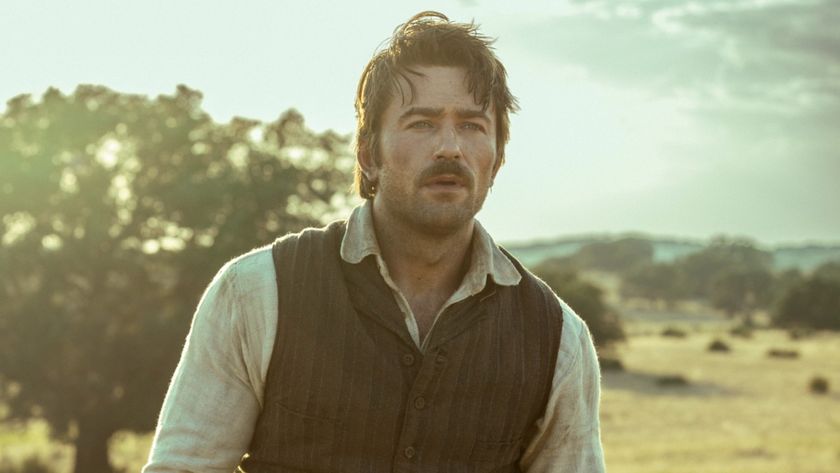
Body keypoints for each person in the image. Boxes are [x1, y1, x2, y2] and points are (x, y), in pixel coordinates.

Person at [143, 11, 605, 473]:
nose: (450, 147)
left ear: (497, 158)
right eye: (421, 123)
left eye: (472, 125)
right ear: (369, 156)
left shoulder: (558, 338)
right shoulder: (256, 293)